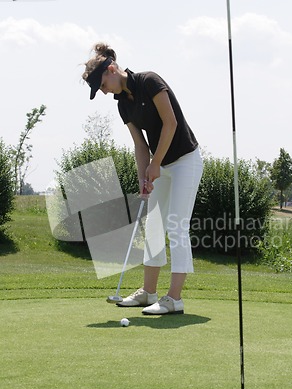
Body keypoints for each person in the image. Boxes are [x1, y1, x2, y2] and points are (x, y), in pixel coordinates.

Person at [82, 43, 203, 315]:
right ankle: (149, 293)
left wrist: (156, 164)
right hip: (161, 164)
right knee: (154, 227)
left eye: (101, 85)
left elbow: (170, 123)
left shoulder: (150, 81)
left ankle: (174, 299)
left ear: (111, 69)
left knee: (176, 226)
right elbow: (140, 145)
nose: (103, 91)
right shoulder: (122, 104)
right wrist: (143, 177)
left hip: (186, 160)